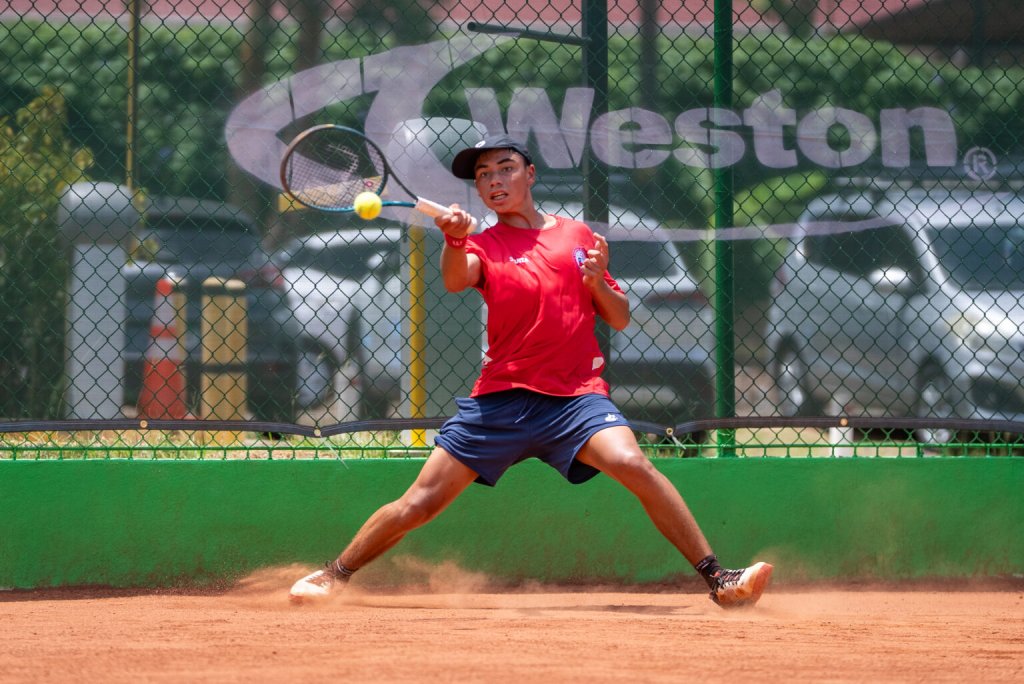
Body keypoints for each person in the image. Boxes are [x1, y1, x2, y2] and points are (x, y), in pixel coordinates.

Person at [289, 133, 773, 608]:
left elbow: (620, 316)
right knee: (420, 503)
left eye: (505, 169)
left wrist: (595, 282)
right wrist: (454, 241)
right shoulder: (483, 244)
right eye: (483, 176)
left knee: (633, 463)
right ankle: (334, 574)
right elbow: (457, 280)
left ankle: (719, 579)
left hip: (576, 398)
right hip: (502, 399)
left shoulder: (577, 236)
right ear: (478, 191)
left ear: (530, 174)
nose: (494, 180)